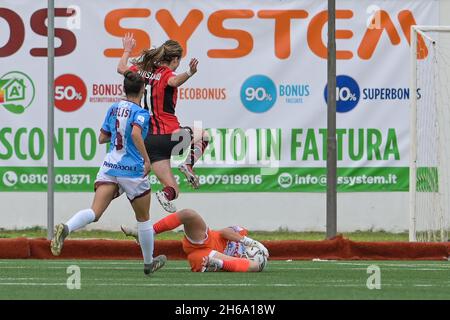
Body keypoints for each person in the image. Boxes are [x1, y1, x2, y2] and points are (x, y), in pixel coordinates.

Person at [50, 71, 166, 275]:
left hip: (111, 165)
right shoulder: (142, 113)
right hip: (132, 169)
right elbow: (137, 133)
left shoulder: (113, 108)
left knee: (95, 212)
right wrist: (147, 159)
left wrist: (118, 134)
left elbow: (102, 138)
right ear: (142, 90)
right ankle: (149, 263)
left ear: (124, 88)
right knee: (144, 218)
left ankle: (66, 228)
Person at [117, 33, 210, 213]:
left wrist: (127, 50)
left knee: (172, 189)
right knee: (203, 135)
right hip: (169, 136)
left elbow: (121, 67)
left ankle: (164, 195)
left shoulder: (141, 71)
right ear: (174, 59)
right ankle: (188, 164)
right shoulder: (166, 73)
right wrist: (190, 72)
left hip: (149, 142)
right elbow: (174, 81)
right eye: (178, 61)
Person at [121, 208, 269, 272]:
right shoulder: (242, 235)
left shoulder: (249, 260)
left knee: (255, 267)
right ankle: (148, 233)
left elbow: (253, 266)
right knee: (188, 214)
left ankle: (218, 264)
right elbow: (225, 232)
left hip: (203, 255)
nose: (248, 252)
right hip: (206, 240)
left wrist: (221, 263)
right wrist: (250, 242)